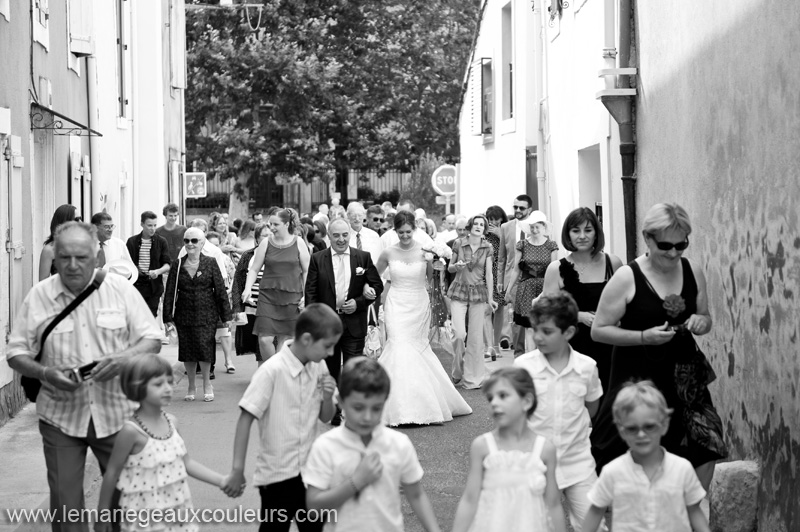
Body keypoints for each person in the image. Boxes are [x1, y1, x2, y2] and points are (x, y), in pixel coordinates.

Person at [6, 222, 163, 532]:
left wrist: (123, 358)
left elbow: (152, 339)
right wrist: (46, 372)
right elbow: (16, 353)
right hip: (61, 415)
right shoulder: (40, 296)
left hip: (118, 413)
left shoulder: (119, 290)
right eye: (64, 257)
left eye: (82, 257)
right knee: (66, 507)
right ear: (54, 257)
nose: (73, 265)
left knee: (126, 501)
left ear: (97, 257)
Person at [590, 203, 726, 489]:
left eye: (682, 244)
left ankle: (691, 510)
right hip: (638, 372)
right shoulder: (627, 276)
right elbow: (599, 331)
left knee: (706, 442)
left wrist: (702, 322)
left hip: (685, 375)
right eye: (666, 245)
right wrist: (642, 337)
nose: (675, 252)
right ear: (647, 238)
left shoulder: (692, 269)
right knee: (633, 448)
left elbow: (705, 316)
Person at [221, 304, 340, 532]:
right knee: (274, 528)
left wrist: (327, 397)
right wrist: (237, 469)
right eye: (327, 346)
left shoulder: (319, 366)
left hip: (311, 472)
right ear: (306, 339)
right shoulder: (271, 370)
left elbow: (326, 417)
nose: (331, 353)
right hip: (276, 475)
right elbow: (246, 418)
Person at [304, 358, 442, 532]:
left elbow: (415, 494)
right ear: (340, 401)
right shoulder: (325, 446)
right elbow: (314, 506)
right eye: (358, 407)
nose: (367, 417)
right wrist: (355, 482)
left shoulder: (398, 444)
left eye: (376, 408)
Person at [95, 355, 230, 532]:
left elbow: (186, 463)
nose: (167, 389)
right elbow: (112, 473)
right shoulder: (130, 432)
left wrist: (221, 480)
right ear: (137, 388)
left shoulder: (172, 422)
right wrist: (102, 515)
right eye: (158, 384)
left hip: (177, 510)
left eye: (169, 382)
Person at [514, 292, 603, 531]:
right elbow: (514, 415)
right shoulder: (523, 367)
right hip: (535, 465)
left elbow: (592, 406)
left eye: (547, 331)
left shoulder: (587, 367)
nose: (538, 337)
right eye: (535, 330)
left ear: (569, 333)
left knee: (592, 524)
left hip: (579, 464)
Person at [376, 211, 472, 426]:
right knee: (398, 345)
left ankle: (420, 404)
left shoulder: (426, 250)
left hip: (418, 303)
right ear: (395, 231)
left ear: (414, 230)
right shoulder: (388, 253)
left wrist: (437, 266)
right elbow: (375, 276)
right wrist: (370, 291)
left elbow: (432, 280)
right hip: (396, 303)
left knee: (416, 348)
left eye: (408, 232)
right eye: (400, 232)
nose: (405, 236)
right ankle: (398, 406)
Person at [582, 381, 711, 532]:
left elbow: (694, 510)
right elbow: (595, 511)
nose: (641, 434)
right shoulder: (613, 472)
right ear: (621, 431)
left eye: (649, 426)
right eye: (632, 428)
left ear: (664, 425)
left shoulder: (682, 469)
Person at [451, 367, 567, 532]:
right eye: (491, 398)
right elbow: (470, 499)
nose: (494, 403)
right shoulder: (482, 446)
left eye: (503, 396)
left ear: (526, 402)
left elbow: (553, 504)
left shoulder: (545, 450)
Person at [543, 207, 623, 392]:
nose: (582, 236)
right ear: (568, 234)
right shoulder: (556, 268)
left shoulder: (613, 263)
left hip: (609, 344)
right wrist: (580, 316)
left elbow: (626, 304)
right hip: (572, 344)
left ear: (596, 233)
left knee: (608, 403)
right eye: (575, 230)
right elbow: (547, 311)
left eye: (588, 230)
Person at [305, 219, 383, 386]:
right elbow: (310, 293)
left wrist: (359, 303)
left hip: (354, 323)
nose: (341, 239)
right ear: (329, 237)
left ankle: (349, 408)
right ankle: (333, 410)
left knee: (352, 371)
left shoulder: (363, 257)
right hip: (326, 325)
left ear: (350, 235)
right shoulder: (317, 259)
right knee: (329, 371)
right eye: (336, 235)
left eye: (345, 235)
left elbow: (377, 286)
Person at [163, 227, 232, 402]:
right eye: (186, 241)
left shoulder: (210, 262)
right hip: (184, 314)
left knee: (204, 348)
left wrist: (226, 317)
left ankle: (207, 384)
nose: (190, 244)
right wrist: (167, 319)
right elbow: (170, 292)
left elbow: (220, 291)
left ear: (202, 243)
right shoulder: (177, 265)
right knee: (187, 351)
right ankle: (191, 385)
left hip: (207, 313)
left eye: (194, 241)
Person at [243, 208, 311, 361]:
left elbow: (307, 271)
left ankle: (278, 373)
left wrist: (306, 295)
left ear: (286, 224)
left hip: (292, 296)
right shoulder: (266, 243)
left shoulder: (299, 243)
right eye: (270, 224)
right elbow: (254, 269)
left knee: (285, 340)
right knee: (264, 339)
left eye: (275, 224)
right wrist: (247, 288)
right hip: (268, 296)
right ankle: (271, 369)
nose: (271, 228)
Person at [448, 214, 496, 389]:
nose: (478, 226)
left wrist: (490, 298)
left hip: (478, 291)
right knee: (459, 334)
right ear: (470, 226)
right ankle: (457, 368)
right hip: (459, 289)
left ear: (484, 229)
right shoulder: (459, 243)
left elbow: (489, 274)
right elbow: (449, 267)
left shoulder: (488, 247)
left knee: (475, 338)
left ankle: (472, 379)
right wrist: (456, 267)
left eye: (481, 224)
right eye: (475, 224)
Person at [496, 194, 543, 356]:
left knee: (531, 317)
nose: (517, 210)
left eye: (521, 208)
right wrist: (500, 280)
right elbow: (501, 257)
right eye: (515, 207)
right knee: (516, 317)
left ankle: (532, 352)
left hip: (534, 278)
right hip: (512, 278)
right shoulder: (506, 227)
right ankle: (519, 353)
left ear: (529, 209)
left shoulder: (537, 226)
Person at [505, 214, 558, 352]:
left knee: (544, 324)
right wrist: (508, 290)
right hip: (527, 287)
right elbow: (516, 269)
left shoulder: (551, 245)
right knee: (529, 327)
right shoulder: (522, 244)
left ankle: (542, 356)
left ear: (543, 227)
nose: (534, 230)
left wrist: (555, 291)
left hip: (545, 287)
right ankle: (530, 358)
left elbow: (554, 269)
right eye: (532, 227)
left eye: (537, 227)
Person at [231, 222, 270, 364]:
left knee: (266, 340)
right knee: (257, 341)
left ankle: (265, 371)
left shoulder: (279, 255)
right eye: (265, 235)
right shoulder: (248, 255)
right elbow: (238, 282)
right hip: (252, 306)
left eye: (271, 235)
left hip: (272, 307)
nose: (269, 238)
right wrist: (236, 307)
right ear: (257, 238)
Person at [126, 211, 171, 317]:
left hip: (154, 286)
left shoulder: (161, 242)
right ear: (142, 224)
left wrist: (157, 271)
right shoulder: (132, 241)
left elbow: (167, 264)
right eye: (149, 225)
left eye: (155, 225)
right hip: (136, 285)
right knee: (135, 316)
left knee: (151, 316)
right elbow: (126, 263)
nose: (153, 228)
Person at [206, 231, 237, 373]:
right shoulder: (201, 260)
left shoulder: (225, 259)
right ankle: (207, 364)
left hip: (223, 298)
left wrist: (228, 292)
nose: (215, 248)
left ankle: (228, 360)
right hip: (207, 300)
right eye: (212, 245)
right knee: (208, 332)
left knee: (225, 330)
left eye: (217, 245)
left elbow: (234, 277)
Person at [483, 206, 509, 360]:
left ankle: (497, 345)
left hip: (500, 275)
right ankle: (489, 346)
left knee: (499, 310)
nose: (492, 222)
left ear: (501, 219)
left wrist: (500, 235)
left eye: (495, 219)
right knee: (486, 310)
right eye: (490, 219)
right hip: (485, 275)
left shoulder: (505, 231)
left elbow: (511, 251)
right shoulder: (482, 233)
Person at [39, 204, 81, 280]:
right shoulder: (49, 250)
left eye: (81, 219)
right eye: (76, 219)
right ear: (65, 222)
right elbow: (43, 282)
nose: (81, 222)